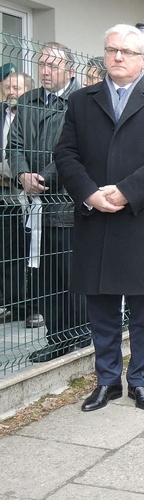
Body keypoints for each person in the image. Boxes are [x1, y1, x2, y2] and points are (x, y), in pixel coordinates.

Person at [54, 24, 144, 412]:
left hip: (141, 219)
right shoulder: (81, 101)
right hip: (96, 218)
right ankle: (107, 381)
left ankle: (139, 381)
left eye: (127, 51)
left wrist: (126, 190)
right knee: (102, 309)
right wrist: (90, 193)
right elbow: (66, 154)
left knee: (143, 311)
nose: (117, 57)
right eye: (112, 49)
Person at [7, 42, 90, 362]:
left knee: (74, 277)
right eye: (42, 64)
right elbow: (13, 145)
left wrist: (44, 177)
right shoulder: (27, 103)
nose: (44, 70)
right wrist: (23, 175)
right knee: (46, 279)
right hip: (36, 206)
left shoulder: (81, 102)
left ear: (69, 70)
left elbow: (78, 148)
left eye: (52, 66)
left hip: (68, 206)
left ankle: (82, 337)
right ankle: (56, 340)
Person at [1, 69, 42, 327]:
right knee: (8, 253)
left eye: (16, 87)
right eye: (7, 87)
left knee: (34, 254)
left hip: (29, 196)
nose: (11, 91)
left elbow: (30, 155)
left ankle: (35, 306)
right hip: (5, 199)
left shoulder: (35, 116)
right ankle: (13, 303)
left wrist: (15, 174)